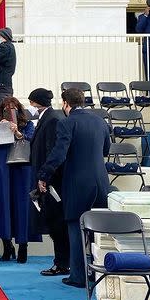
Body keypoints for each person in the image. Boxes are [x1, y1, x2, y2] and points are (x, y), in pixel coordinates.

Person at [38, 88, 111, 288]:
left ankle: (77, 276)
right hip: (102, 182)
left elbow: (59, 153)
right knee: (99, 230)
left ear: (65, 103)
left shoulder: (67, 122)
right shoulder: (100, 121)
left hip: (78, 184)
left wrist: (44, 175)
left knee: (76, 228)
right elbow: (106, 149)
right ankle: (99, 274)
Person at [0, 96, 36, 263]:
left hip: (21, 168)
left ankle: (23, 246)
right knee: (2, 205)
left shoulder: (28, 124)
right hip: (2, 169)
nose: (10, 111)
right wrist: (3, 128)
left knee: (22, 206)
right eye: (6, 108)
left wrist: (17, 132)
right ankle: (7, 245)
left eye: (13, 108)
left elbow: (31, 139)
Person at [28, 88, 69, 277]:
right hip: (47, 178)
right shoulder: (49, 117)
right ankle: (61, 262)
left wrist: (45, 177)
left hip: (51, 182)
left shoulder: (52, 119)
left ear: (36, 102)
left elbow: (52, 151)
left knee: (56, 224)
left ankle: (61, 263)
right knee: (54, 223)